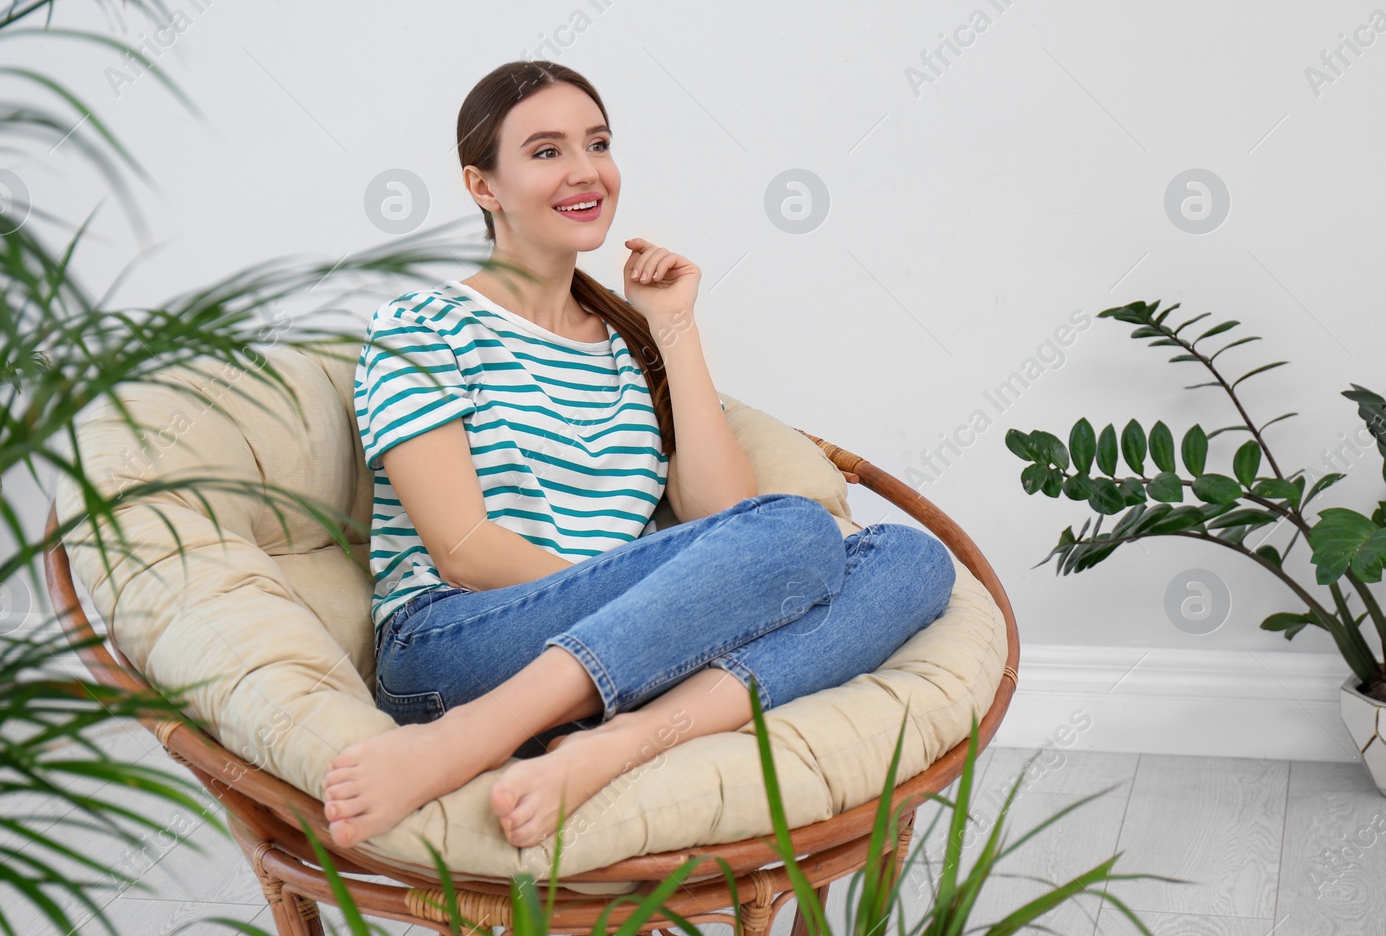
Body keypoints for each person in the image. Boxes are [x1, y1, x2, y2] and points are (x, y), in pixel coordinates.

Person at [323, 60, 956, 851]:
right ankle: (465, 736)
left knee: (909, 557)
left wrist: (673, 325)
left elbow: (728, 516)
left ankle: (614, 744)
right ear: (482, 186)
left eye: (597, 143)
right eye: (546, 151)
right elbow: (465, 551)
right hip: (456, 640)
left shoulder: (627, 345)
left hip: (618, 655)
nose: (585, 170)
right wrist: (668, 613)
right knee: (796, 530)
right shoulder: (423, 325)